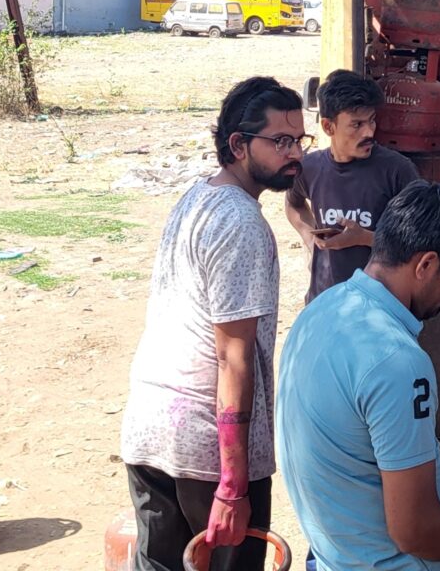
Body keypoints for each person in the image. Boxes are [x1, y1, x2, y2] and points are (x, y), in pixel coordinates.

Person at [119, 76, 307, 571]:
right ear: (239, 145)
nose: (296, 154)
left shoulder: (198, 196)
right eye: (281, 142)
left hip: (152, 426)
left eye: (300, 140)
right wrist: (232, 484)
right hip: (204, 447)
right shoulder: (243, 223)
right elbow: (233, 355)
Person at [277, 181, 440, 571]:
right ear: (426, 265)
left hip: (334, 552)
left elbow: (361, 444)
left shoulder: (323, 310)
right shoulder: (397, 361)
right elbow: (418, 531)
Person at [285, 69, 421, 304]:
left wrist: (364, 238)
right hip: (325, 302)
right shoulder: (309, 168)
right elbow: (293, 203)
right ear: (329, 127)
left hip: (379, 307)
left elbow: (422, 239)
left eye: (371, 121)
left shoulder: (397, 171)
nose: (369, 132)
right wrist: (310, 241)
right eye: (356, 124)